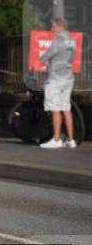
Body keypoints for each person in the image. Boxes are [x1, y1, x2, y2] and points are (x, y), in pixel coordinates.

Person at [39, 17, 77, 149]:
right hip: (68, 77)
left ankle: (56, 139)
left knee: (55, 108)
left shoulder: (58, 42)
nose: (52, 29)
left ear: (60, 27)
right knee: (66, 108)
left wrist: (46, 61)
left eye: (53, 26)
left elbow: (44, 57)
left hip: (55, 79)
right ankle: (71, 140)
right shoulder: (72, 41)